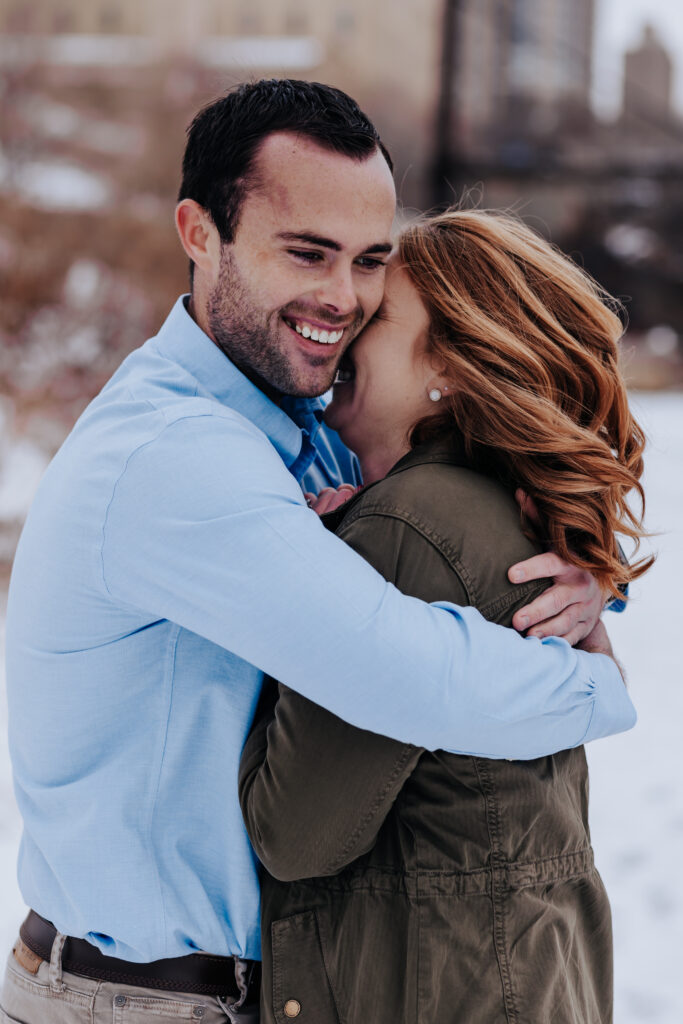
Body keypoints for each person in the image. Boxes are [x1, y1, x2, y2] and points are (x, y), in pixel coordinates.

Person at [2, 82, 633, 1024]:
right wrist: (593, 686)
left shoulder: (302, 424)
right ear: (199, 232)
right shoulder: (176, 454)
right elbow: (403, 671)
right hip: (134, 1002)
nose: (341, 299)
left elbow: (450, 521)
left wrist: (583, 592)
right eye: (306, 252)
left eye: (369, 262)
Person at [239, 209, 652, 1024]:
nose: (348, 323)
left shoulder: (404, 525)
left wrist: (306, 581)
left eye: (380, 313)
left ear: (453, 368)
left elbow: (295, 834)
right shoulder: (496, 510)